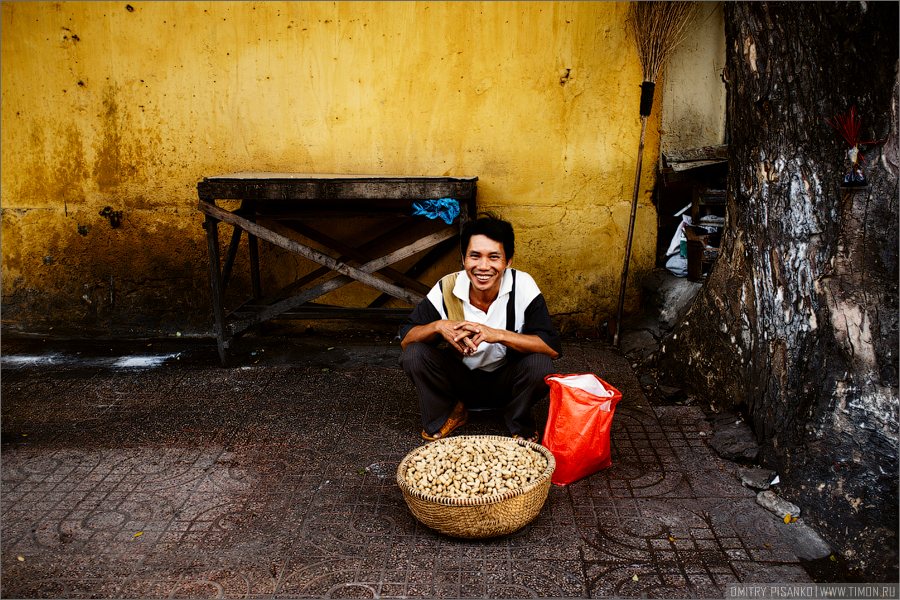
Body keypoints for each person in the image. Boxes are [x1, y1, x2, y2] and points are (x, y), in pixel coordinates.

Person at [398, 213, 562, 443]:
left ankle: (515, 416)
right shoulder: (447, 287)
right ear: (463, 258)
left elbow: (551, 348)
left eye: (494, 257)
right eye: (475, 256)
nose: (483, 267)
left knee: (541, 365)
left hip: (507, 382)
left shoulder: (523, 285)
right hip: (460, 383)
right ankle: (451, 412)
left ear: (508, 261)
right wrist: (438, 326)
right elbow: (406, 339)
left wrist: (498, 335)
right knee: (414, 355)